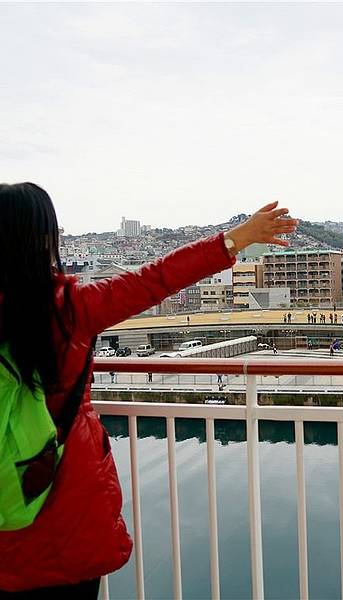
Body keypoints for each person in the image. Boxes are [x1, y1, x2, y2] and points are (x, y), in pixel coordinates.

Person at [0, 183, 297, 597]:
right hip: (65, 506)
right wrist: (236, 239)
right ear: (44, 240)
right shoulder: (72, 307)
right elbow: (155, 279)